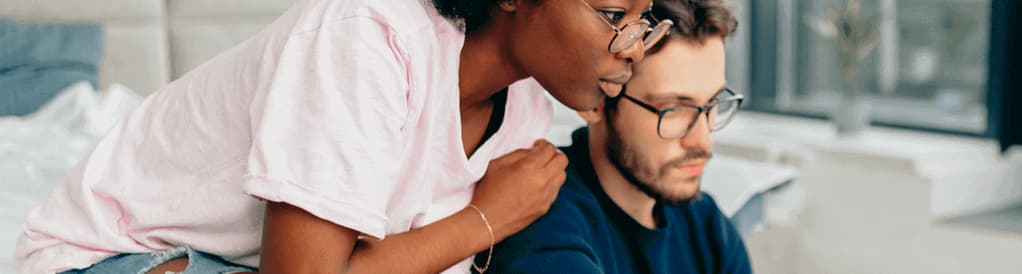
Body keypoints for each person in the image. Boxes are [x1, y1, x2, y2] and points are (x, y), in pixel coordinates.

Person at [14, 0, 673, 273]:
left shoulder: (527, 106)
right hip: (108, 261)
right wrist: (485, 219)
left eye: (646, 20)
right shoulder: (364, 36)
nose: (632, 49)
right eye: (613, 14)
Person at [478, 0, 750, 272]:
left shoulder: (708, 228)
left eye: (713, 105)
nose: (702, 141)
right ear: (596, 103)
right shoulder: (541, 218)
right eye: (673, 109)